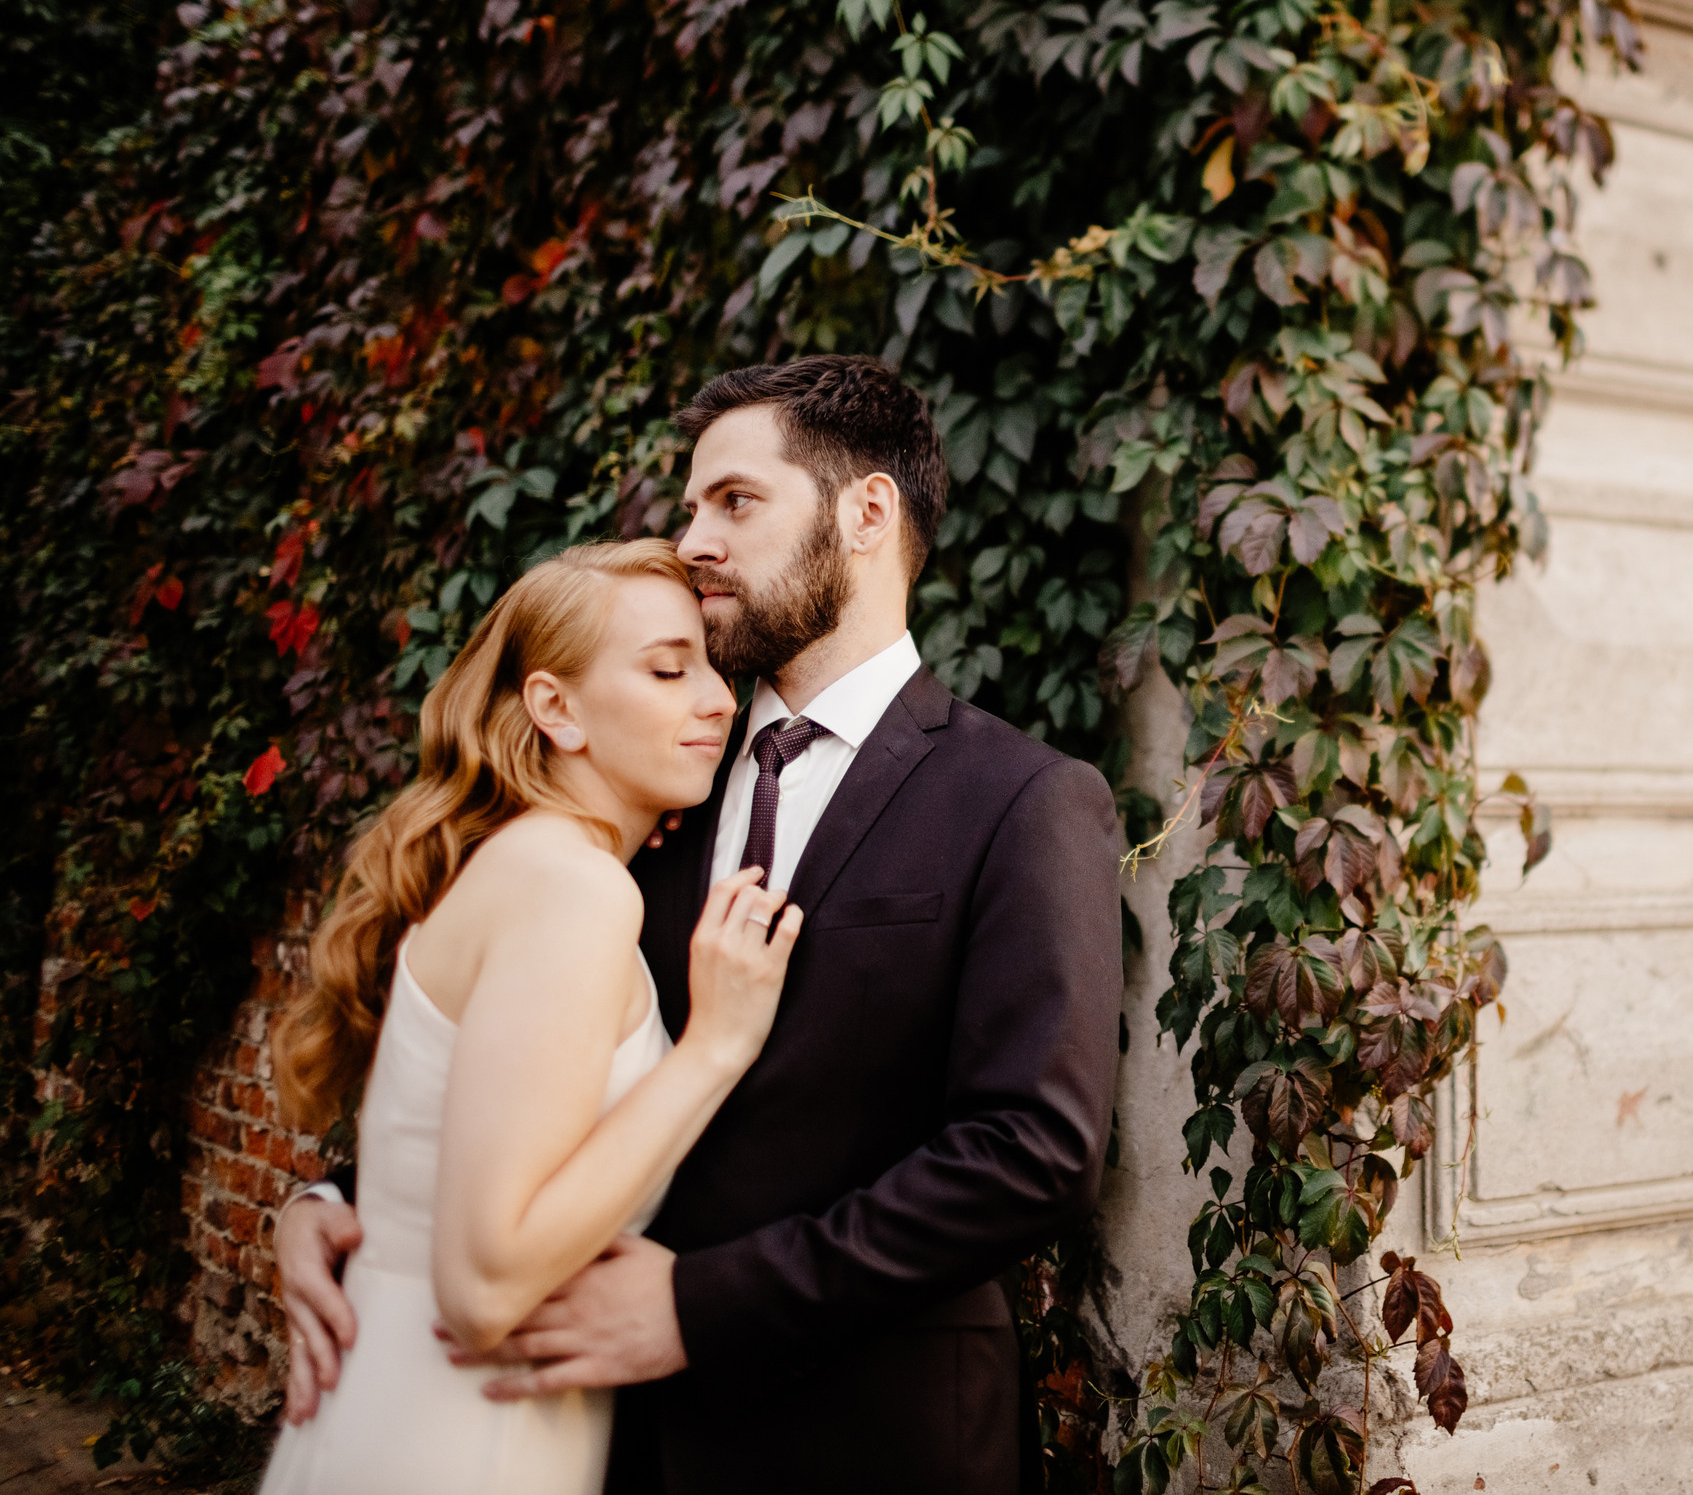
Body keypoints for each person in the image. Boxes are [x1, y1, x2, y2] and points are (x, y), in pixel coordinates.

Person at [271, 354, 1125, 1492]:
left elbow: (1034, 1153)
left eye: (734, 501)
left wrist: (695, 1304)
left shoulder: (1022, 799)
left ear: (868, 513)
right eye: (690, 507)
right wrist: (346, 1198)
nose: (693, 542)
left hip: (870, 1437)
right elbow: (533, 1048)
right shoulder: (655, 768)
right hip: (609, 1435)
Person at [259, 537, 803, 1495]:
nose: (721, 700)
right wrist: (714, 1047)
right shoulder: (571, 888)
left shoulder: (524, 864)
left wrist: (317, 1203)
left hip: (401, 1408)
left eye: (713, 669)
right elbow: (485, 1286)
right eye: (668, 670)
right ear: (556, 707)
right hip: (463, 1443)